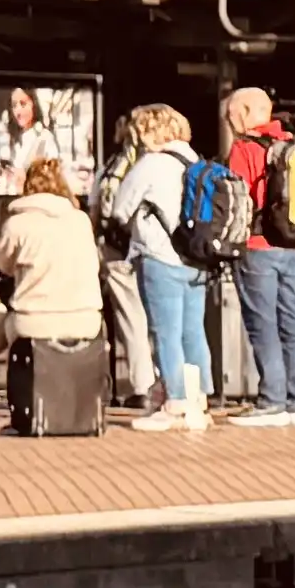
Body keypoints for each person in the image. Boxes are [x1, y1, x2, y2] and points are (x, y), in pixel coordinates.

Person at [103, 106, 212, 431]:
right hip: (197, 259)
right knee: (194, 331)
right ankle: (198, 400)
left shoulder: (150, 164)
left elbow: (120, 209)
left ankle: (175, 402)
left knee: (166, 333)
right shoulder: (197, 162)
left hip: (160, 257)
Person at [216, 88, 295, 431]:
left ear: (243, 111)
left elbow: (239, 199)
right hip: (293, 245)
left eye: (230, 114)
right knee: (292, 321)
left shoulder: (245, 148)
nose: (229, 121)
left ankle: (271, 401)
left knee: (263, 324)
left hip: (258, 247)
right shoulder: (292, 145)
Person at [0, 148, 107, 432]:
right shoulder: (81, 221)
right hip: (86, 318)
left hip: (34, 321)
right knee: (16, 316)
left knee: (11, 318)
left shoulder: (16, 223)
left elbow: (4, 265)